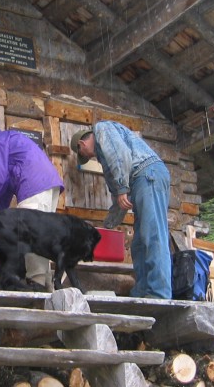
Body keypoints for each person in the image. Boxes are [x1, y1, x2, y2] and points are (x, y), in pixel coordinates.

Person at [70, 121, 173, 299]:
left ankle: (159, 292)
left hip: (148, 175)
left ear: (82, 144)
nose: (90, 157)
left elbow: (120, 156)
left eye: (84, 155)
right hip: (141, 180)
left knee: (153, 235)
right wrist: (107, 227)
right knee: (139, 242)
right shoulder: (105, 158)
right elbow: (118, 200)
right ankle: (143, 290)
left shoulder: (102, 129)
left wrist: (122, 188)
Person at [0, 128, 64, 289]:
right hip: (48, 182)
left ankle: (36, 284)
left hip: (34, 182)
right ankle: (46, 285)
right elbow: (5, 187)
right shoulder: (0, 142)